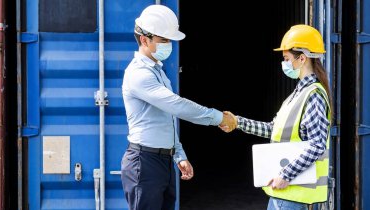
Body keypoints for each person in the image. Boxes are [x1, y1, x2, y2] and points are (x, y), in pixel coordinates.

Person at [121, 4, 236, 210]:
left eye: (169, 40)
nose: (168, 44)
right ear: (144, 40)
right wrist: (218, 117)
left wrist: (179, 154)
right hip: (144, 163)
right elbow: (177, 106)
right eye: (163, 40)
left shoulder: (159, 72)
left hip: (162, 162)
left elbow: (167, 118)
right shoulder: (139, 74)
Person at [221, 24, 332, 210]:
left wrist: (286, 175)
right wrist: (238, 122)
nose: (284, 63)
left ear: (302, 58)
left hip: (292, 192)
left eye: (286, 58)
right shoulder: (297, 94)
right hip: (284, 192)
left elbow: (317, 144)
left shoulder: (313, 95)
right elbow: (274, 129)